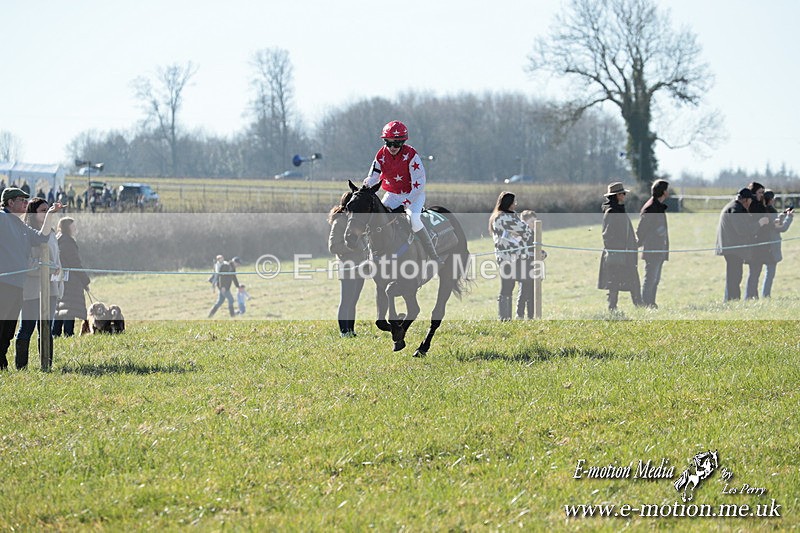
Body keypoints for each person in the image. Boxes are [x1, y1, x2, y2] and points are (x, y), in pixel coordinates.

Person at [362, 120, 442, 264]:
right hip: (392, 195)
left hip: (413, 195)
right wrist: (366, 185)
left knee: (414, 220)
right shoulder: (380, 155)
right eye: (389, 143)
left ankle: (433, 255)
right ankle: (370, 257)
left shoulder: (411, 156)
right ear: (384, 141)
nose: (393, 147)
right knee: (375, 219)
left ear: (403, 142)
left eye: (397, 143)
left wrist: (404, 204)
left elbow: (419, 185)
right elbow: (374, 176)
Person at [1, 187, 62, 369]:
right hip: (3, 283)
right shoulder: (2, 218)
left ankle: (2, 364)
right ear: (10, 202)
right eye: (22, 200)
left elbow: (42, 238)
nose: (26, 203)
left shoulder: (20, 225)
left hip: (17, 284)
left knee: (8, 330)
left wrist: (50, 214)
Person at [16, 198, 63, 369]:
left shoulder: (51, 233)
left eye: (47, 210)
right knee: (27, 328)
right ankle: (21, 367)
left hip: (50, 287)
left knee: (46, 328)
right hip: (31, 288)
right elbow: (28, 263)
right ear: (33, 213)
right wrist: (48, 268)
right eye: (42, 211)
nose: (45, 213)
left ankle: (47, 365)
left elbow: (56, 259)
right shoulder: (27, 234)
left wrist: (57, 272)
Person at [715, 188, 769, 302]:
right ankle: (732, 300)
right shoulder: (736, 209)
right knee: (734, 277)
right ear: (746, 200)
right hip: (733, 248)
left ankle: (731, 300)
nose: (750, 203)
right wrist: (759, 223)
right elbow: (742, 230)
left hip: (732, 247)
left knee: (734, 276)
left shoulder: (735, 207)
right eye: (750, 200)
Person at [598, 182, 643, 312]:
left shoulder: (619, 209)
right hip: (617, 254)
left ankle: (638, 305)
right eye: (622, 193)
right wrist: (620, 249)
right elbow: (607, 235)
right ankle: (613, 308)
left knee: (631, 280)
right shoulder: (612, 211)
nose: (624, 195)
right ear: (617, 195)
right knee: (614, 283)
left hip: (625, 253)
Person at [490, 192, 535, 321]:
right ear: (508, 203)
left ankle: (506, 317)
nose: (516, 204)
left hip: (506, 257)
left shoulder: (497, 217)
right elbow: (527, 232)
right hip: (511, 258)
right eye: (514, 202)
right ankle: (509, 317)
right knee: (516, 284)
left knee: (509, 286)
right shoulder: (504, 218)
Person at [328, 191, 367, 337]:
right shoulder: (340, 222)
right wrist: (353, 247)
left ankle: (351, 330)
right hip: (347, 267)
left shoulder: (357, 222)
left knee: (353, 301)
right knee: (346, 301)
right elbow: (333, 246)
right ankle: (344, 331)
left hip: (360, 267)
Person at [52, 218, 91, 337]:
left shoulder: (57, 239)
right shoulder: (68, 242)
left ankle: (55, 333)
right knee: (70, 307)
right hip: (71, 280)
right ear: (66, 227)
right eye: (72, 226)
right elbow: (75, 263)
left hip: (58, 277)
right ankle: (68, 333)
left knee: (59, 307)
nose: (75, 228)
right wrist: (85, 280)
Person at [636, 179, 670, 308]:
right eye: (667, 189)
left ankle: (651, 303)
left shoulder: (658, 206)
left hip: (659, 249)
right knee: (650, 279)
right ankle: (645, 304)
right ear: (664, 191)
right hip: (652, 249)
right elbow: (642, 229)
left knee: (655, 279)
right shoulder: (651, 207)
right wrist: (638, 243)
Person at [761, 190, 794, 298]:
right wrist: (789, 217)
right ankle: (766, 295)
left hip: (762, 246)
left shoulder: (761, 210)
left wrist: (783, 215)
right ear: (771, 200)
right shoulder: (771, 211)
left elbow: (775, 222)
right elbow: (781, 228)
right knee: (770, 274)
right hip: (771, 247)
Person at [515, 210, 547, 319]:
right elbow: (520, 250)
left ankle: (531, 316)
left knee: (533, 293)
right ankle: (519, 315)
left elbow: (538, 249)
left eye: (536, 221)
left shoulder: (535, 234)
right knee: (524, 292)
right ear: (524, 222)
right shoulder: (520, 235)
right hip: (523, 267)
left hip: (534, 267)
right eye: (532, 221)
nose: (534, 224)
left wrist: (543, 254)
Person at [744, 182, 769, 299]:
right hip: (755, 244)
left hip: (760, 243)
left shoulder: (759, 204)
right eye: (760, 192)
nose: (762, 195)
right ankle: (749, 296)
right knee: (754, 272)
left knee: (756, 272)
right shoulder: (754, 206)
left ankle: (753, 295)